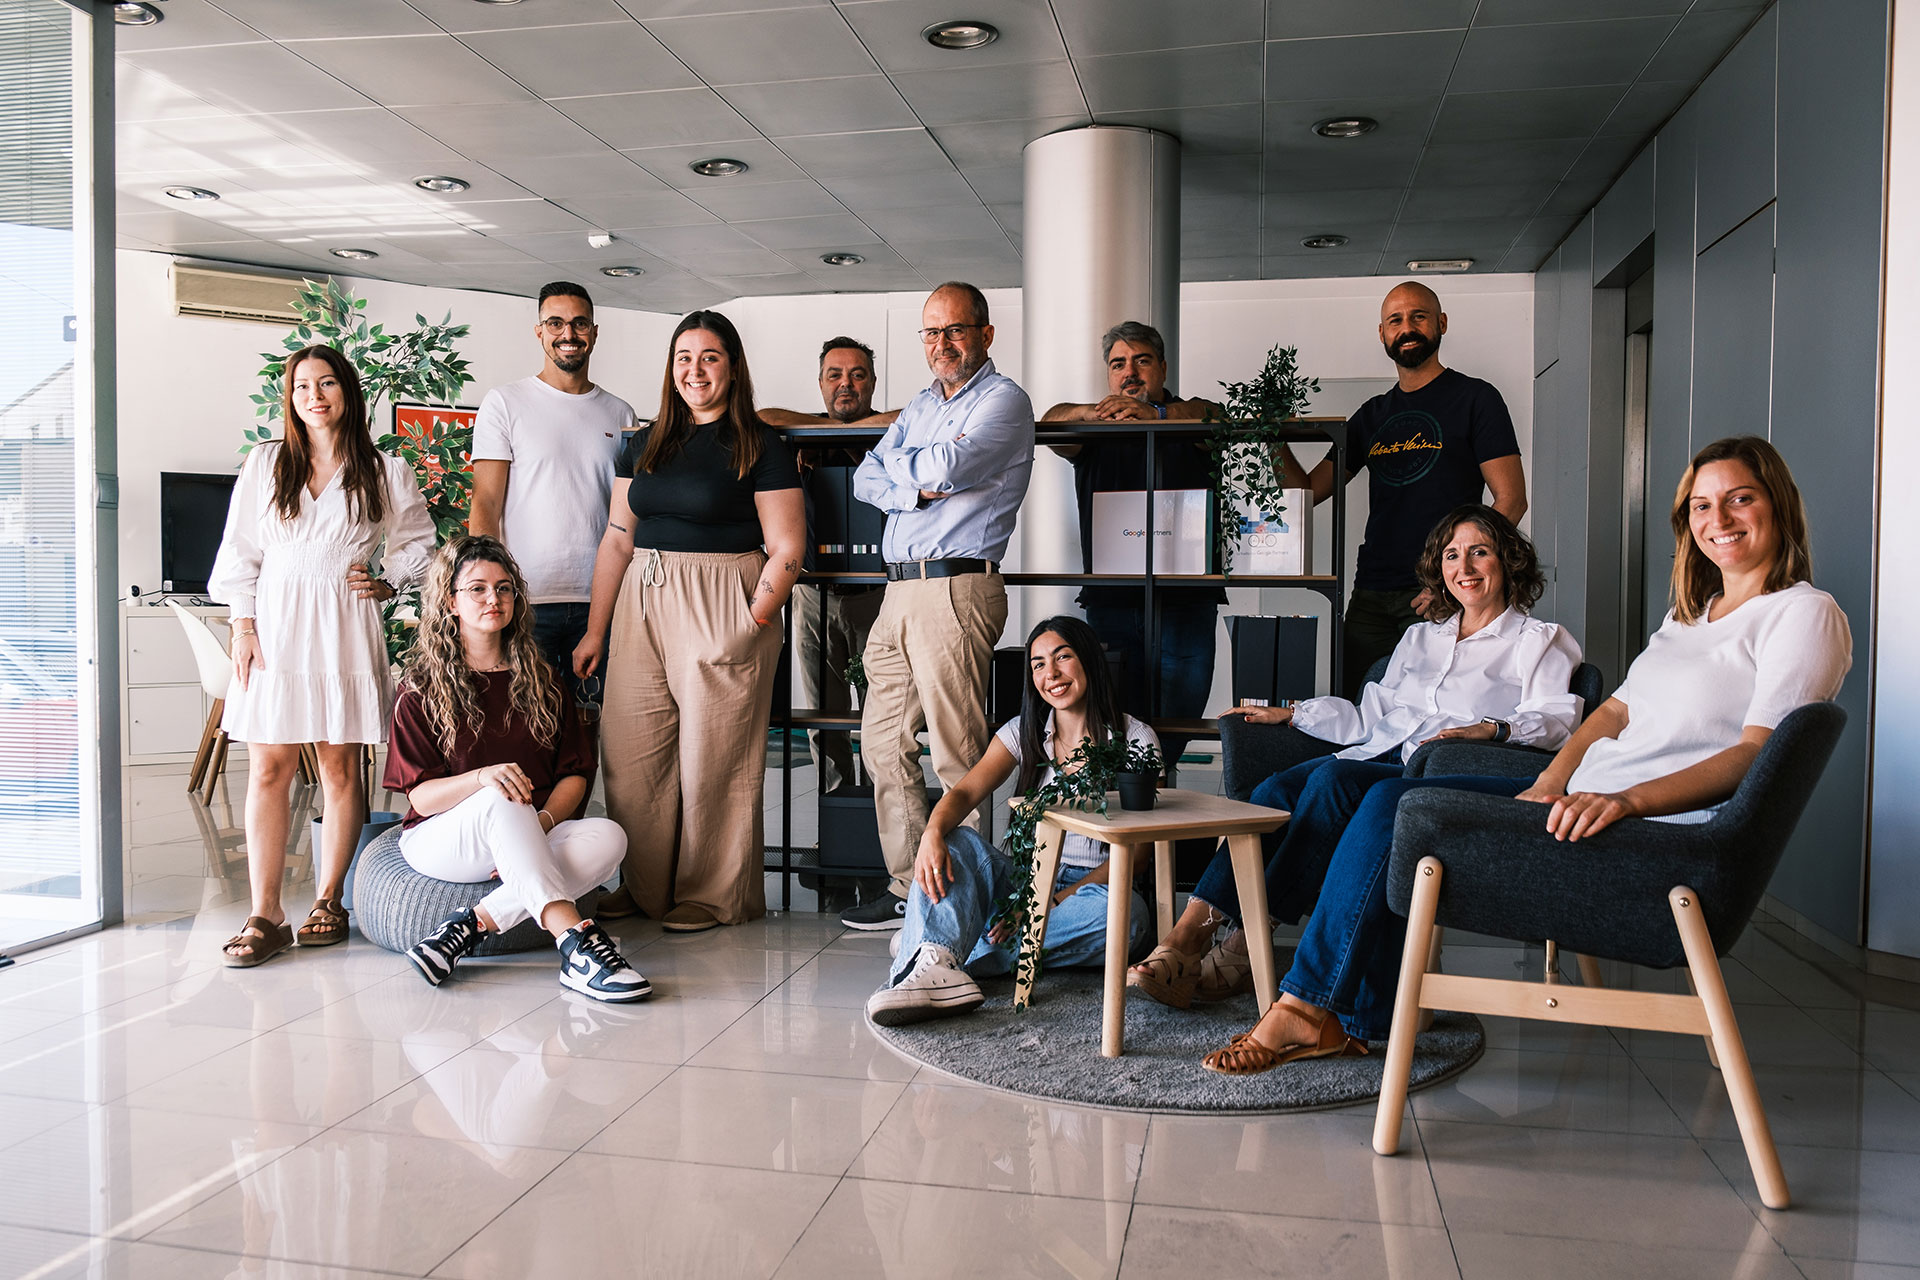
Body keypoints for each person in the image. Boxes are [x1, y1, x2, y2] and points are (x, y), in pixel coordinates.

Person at [1199, 437, 1851, 1075]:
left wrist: (1624, 799)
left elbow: (1755, 756)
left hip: (1644, 836)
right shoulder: (1692, 617)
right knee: (1381, 797)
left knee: (1392, 806)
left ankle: (1307, 1007)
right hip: (1573, 802)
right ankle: (1342, 1015)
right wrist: (1551, 779)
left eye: (1740, 498)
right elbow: (1612, 712)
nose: (1720, 519)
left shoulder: (1802, 614)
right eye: (1703, 506)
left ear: (1779, 504)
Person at [1129, 505, 1581, 1015]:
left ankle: (1230, 948)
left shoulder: (1539, 641)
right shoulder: (1419, 638)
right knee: (1274, 792)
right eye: (1452, 555)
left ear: (1508, 560)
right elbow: (1371, 716)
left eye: (1480, 551)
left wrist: (1493, 728)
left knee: (1335, 779)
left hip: (1440, 772)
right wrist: (1294, 713)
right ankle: (1193, 933)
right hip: (1379, 752)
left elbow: (1558, 721)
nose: (1465, 567)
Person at [575, 311, 805, 933]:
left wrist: (752, 617)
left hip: (722, 597)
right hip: (641, 598)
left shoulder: (760, 444)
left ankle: (711, 893)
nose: (694, 370)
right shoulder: (641, 442)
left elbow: (787, 547)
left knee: (717, 756)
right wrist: (597, 630)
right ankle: (644, 887)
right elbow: (618, 537)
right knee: (631, 750)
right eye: (684, 357)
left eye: (709, 357)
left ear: (732, 367)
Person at [208, 343, 435, 967]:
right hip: (277, 626)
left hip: (343, 623)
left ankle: (329, 901)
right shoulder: (266, 464)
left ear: (347, 393)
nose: (315, 395)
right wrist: (243, 625)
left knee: (339, 769)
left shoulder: (385, 470)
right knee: (267, 769)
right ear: (291, 398)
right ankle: (265, 913)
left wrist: (390, 580)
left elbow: (419, 541)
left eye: (327, 383)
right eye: (303, 386)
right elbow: (239, 553)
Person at [840, 282, 1036, 931]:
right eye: (930, 332)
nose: (941, 344)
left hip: (955, 587)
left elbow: (949, 467)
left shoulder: (1005, 400)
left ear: (984, 333)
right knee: (881, 741)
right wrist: (914, 486)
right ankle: (910, 888)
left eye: (954, 330)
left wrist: (914, 475)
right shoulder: (922, 405)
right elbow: (868, 477)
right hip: (898, 589)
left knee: (958, 752)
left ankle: (965, 903)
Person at [384, 536, 647, 1002]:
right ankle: (577, 945)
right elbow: (421, 797)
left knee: (610, 836)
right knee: (498, 794)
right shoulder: (419, 689)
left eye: (504, 589)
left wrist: (539, 823)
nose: (494, 599)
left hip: (526, 831)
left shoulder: (544, 682)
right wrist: (482, 778)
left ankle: (468, 927)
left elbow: (574, 776)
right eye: (477, 589)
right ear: (450, 601)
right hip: (443, 839)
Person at [867, 616, 1155, 1024]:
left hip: (1093, 891)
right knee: (959, 842)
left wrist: (1043, 906)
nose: (1050, 674)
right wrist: (932, 832)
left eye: (1063, 657)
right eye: (1038, 664)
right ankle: (937, 954)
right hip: (1023, 878)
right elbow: (964, 792)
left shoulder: (1136, 739)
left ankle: (940, 947)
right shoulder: (1025, 732)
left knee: (1128, 921)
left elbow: (1139, 856)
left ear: (1088, 660)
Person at [1278, 282, 1528, 699]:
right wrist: (1272, 437)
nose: (1407, 328)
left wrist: (1452, 581)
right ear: (1383, 334)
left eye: (1419, 316)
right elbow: (1305, 493)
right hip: (1372, 593)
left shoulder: (1475, 399)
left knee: (1430, 712)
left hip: (1441, 594)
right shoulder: (1371, 416)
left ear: (1441, 323)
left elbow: (1512, 501)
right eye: (1395, 320)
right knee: (1357, 708)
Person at [1043, 320, 1224, 764]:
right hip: (1112, 604)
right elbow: (1049, 421)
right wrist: (1092, 413)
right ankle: (1121, 816)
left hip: (1185, 603)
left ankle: (1156, 806)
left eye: (1142, 360)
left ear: (1162, 367)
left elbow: (1217, 416)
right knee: (1110, 719)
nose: (1131, 372)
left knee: (1176, 722)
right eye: (1118, 364)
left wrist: (1157, 416)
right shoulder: (1095, 428)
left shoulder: (1188, 415)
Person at [468, 281, 636, 711]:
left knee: (596, 728)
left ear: (594, 333)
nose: (569, 334)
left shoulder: (620, 413)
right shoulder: (505, 402)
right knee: (527, 728)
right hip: (527, 599)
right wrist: (488, 590)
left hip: (600, 602)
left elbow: (628, 512)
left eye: (579, 323)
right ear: (539, 332)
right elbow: (486, 502)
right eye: (556, 323)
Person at [760, 337, 889, 794]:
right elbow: (765, 417)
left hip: (877, 598)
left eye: (857, 375)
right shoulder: (805, 433)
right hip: (813, 596)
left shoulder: (890, 433)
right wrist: (820, 431)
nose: (846, 384)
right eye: (834, 375)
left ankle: (883, 822)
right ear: (819, 383)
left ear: (872, 382)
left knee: (883, 717)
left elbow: (902, 417)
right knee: (822, 717)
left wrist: (847, 438)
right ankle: (837, 822)